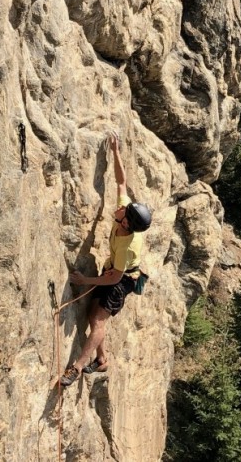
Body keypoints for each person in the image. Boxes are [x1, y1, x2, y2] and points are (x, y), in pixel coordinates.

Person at [59, 131, 152, 387]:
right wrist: (115, 151)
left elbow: (115, 278)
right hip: (115, 271)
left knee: (98, 320)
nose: (120, 207)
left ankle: (77, 367)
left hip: (122, 280)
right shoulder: (125, 218)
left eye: (124, 211)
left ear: (127, 223)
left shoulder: (127, 246)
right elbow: (122, 182)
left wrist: (85, 281)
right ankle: (102, 359)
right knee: (93, 314)